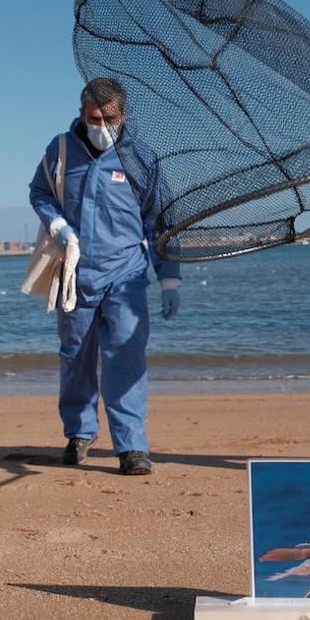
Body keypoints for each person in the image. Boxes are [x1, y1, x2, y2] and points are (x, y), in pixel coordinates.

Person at [29, 77, 182, 476]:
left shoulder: (142, 158)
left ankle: (131, 446)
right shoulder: (60, 150)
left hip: (126, 275)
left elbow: (162, 222)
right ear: (81, 113)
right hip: (75, 274)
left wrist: (170, 278)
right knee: (75, 356)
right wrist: (58, 224)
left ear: (123, 115)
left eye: (108, 118)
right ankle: (79, 433)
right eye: (93, 117)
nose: (100, 125)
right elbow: (40, 193)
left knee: (126, 357)